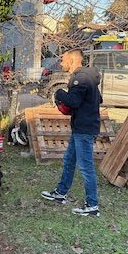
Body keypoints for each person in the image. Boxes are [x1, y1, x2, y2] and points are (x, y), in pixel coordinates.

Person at [41, 48, 102, 217]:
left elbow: (73, 101)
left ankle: (92, 205)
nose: (61, 63)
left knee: (86, 167)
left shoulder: (81, 78)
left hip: (84, 129)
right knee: (69, 160)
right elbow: (98, 99)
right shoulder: (89, 77)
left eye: (63, 60)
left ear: (73, 60)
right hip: (82, 127)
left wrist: (59, 92)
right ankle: (60, 193)